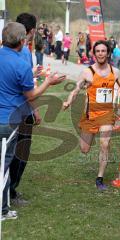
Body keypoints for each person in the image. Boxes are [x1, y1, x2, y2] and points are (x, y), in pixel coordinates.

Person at [0, 22, 66, 220]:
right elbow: (31, 95)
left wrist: (32, 75)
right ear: (22, 41)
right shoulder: (20, 63)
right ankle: (2, 210)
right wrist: (48, 81)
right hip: (9, 120)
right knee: (4, 165)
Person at [63, 40, 120, 190]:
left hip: (107, 113)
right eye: (98, 51)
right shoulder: (87, 72)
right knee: (84, 149)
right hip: (90, 114)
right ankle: (90, 136)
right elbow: (76, 90)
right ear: (94, 54)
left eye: (103, 51)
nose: (101, 53)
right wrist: (68, 101)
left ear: (108, 53)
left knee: (105, 144)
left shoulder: (115, 72)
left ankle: (100, 178)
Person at [9, 12, 40, 206]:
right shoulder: (25, 51)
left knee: (9, 151)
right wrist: (34, 110)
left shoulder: (6, 48)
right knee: (20, 153)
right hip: (21, 110)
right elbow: (26, 89)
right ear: (32, 31)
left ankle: (9, 190)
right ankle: (10, 191)